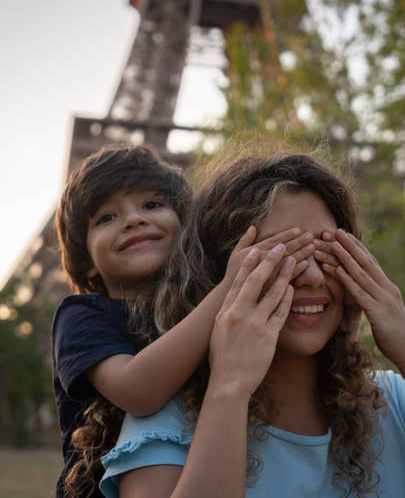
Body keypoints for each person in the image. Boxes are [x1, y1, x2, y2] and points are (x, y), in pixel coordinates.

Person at [100, 153, 405, 497]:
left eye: (326, 251)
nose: (314, 276)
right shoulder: (166, 425)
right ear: (220, 276)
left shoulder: (393, 401)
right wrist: (229, 389)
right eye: (280, 254)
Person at [52, 146, 314, 497]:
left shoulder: (195, 305)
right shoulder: (81, 317)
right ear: (86, 261)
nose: (133, 220)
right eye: (106, 218)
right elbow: (138, 391)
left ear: (185, 228)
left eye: (151, 205)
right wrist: (229, 288)